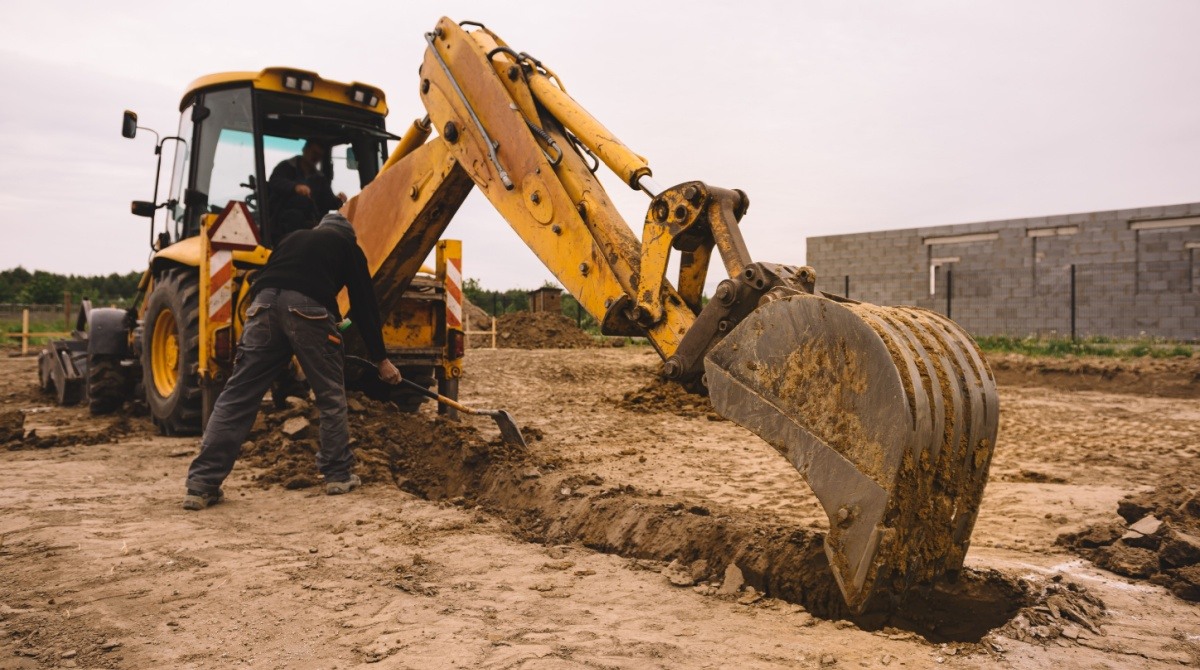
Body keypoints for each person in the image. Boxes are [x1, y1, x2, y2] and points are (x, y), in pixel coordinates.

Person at [183, 212, 401, 509]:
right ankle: (338, 475)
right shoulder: (348, 246)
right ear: (348, 236)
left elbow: (275, 286)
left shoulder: (292, 239)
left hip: (261, 308)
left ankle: (202, 483)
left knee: (238, 395)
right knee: (330, 395)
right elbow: (365, 305)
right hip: (309, 309)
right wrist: (381, 359)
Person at [267, 140, 347, 245]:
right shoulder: (286, 167)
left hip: (308, 226)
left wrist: (338, 201)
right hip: (280, 224)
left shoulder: (320, 178)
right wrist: (295, 187)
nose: (315, 158)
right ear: (305, 150)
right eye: (314, 153)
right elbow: (275, 182)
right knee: (294, 216)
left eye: (319, 156)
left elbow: (326, 201)